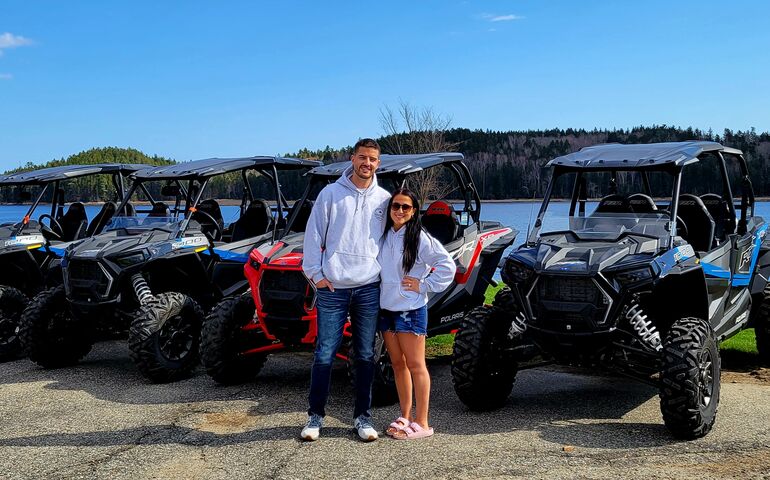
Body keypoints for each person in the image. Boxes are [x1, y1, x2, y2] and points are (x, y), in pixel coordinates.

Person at [300, 138, 391, 442]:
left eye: (373, 160)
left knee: (365, 355)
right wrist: (316, 275)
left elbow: (392, 243)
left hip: (368, 287)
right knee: (324, 353)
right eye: (362, 158)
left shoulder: (384, 199)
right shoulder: (330, 195)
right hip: (334, 287)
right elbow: (314, 237)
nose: (367, 164)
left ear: (378, 163)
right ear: (352, 159)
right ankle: (315, 417)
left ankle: (363, 418)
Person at [378, 188, 456, 440]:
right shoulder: (385, 235)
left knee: (416, 365)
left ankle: (422, 422)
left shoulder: (420, 237)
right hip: (387, 309)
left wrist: (424, 285)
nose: (400, 211)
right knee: (398, 364)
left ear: (414, 211)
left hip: (410, 310)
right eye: (396, 206)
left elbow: (447, 265)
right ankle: (404, 415)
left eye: (406, 207)